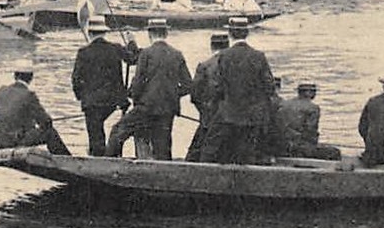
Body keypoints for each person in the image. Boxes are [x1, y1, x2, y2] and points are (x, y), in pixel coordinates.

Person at [109, 18, 191, 160]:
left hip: (146, 107)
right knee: (163, 147)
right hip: (168, 109)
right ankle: (165, 174)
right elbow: (188, 85)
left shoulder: (146, 54)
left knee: (118, 131)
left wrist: (132, 95)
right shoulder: (177, 54)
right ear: (166, 33)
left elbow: (138, 83)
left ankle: (108, 164)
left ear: (150, 34)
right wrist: (171, 94)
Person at [201, 17, 275, 164]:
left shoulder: (224, 56)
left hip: (228, 114)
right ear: (247, 33)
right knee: (247, 155)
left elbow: (217, 87)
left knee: (214, 150)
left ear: (230, 33)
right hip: (251, 116)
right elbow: (269, 87)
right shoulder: (258, 56)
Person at [72, 16, 130, 156]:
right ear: (104, 32)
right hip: (113, 101)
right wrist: (131, 42)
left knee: (95, 133)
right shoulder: (116, 48)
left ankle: (97, 157)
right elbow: (133, 59)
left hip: (91, 101)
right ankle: (110, 154)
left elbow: (76, 79)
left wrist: (81, 97)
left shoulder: (83, 52)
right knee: (108, 129)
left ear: (90, 33)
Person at [0, 68, 72, 155]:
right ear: (31, 78)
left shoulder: (2, 91)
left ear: (15, 76)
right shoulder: (29, 95)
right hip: (12, 140)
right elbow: (46, 121)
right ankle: (67, 160)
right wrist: (34, 125)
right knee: (50, 132)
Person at [185, 33, 230, 161]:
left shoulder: (204, 66)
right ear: (228, 46)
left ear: (212, 46)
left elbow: (194, 95)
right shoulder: (234, 67)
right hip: (232, 120)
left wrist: (205, 112)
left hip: (209, 119)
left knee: (195, 154)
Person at [270, 80, 342, 161]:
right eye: (314, 91)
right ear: (308, 92)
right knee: (334, 152)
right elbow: (311, 132)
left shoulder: (283, 104)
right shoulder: (312, 108)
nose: (315, 94)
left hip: (280, 147)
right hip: (297, 148)